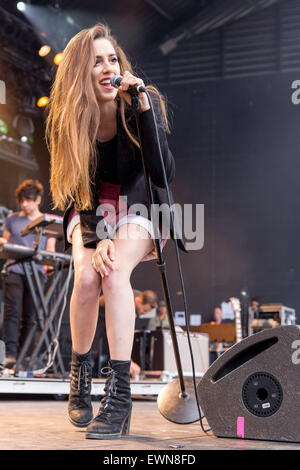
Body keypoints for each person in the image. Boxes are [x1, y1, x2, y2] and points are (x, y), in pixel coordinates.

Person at [46, 23, 186, 440]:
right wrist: (99, 234)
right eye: (96, 61)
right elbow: (78, 185)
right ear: (79, 72)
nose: (108, 67)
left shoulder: (141, 102)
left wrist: (143, 109)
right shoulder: (70, 118)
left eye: (112, 59)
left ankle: (119, 395)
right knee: (87, 276)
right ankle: (80, 372)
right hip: (92, 208)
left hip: (141, 203)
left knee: (112, 273)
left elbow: (161, 174)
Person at [0, 179, 56, 369]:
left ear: (38, 200)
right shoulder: (12, 219)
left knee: (30, 316)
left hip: (36, 273)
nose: (24, 204)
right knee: (12, 313)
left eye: (28, 200)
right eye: (22, 201)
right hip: (14, 270)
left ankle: (24, 357)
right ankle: (9, 355)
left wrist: (49, 266)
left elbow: (50, 250)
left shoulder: (46, 222)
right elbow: (5, 244)